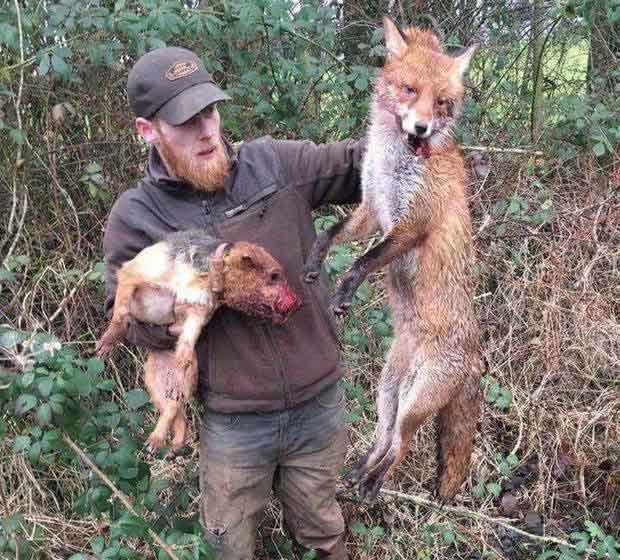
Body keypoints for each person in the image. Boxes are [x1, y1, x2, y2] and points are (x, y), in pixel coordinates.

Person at [102, 47, 364, 560]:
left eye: (210, 111)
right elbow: (124, 310)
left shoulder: (275, 163)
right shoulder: (138, 215)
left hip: (318, 405)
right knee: (229, 547)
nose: (206, 130)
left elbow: (359, 164)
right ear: (147, 130)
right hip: (235, 423)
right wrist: (197, 295)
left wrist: (419, 122)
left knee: (324, 533)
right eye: (185, 121)